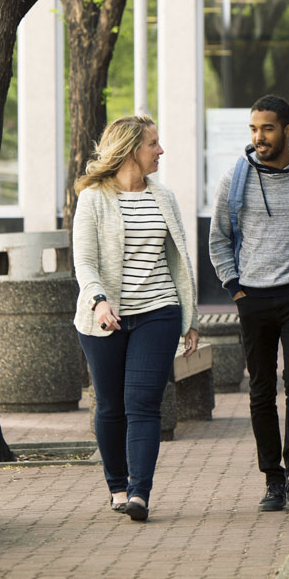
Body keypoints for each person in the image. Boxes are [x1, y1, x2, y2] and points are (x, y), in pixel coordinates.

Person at [209, 95, 289, 513]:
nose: (258, 137)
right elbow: (219, 239)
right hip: (252, 296)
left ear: (287, 130)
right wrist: (236, 288)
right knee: (261, 390)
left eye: (266, 128)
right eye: (253, 129)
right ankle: (272, 479)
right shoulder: (235, 179)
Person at [73, 115, 199, 523]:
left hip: (158, 311)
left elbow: (179, 262)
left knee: (143, 403)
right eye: (153, 144)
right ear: (130, 149)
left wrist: (190, 317)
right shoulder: (93, 198)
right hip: (104, 318)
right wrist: (99, 302)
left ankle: (140, 493)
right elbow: (85, 263)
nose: (160, 151)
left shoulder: (164, 197)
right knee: (110, 405)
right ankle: (118, 485)